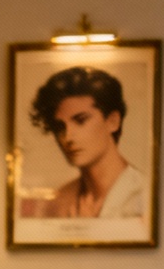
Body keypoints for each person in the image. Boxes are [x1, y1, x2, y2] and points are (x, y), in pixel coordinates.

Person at [22, 66, 146, 220]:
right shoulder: (60, 200)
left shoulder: (144, 194)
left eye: (80, 121)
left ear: (113, 121)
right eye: (60, 127)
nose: (68, 137)